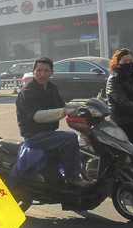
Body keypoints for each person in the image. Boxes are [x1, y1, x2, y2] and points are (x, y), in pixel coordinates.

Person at [15, 57, 88, 187]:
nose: (42, 74)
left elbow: (63, 105)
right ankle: (73, 177)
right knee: (70, 138)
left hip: (49, 134)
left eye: (46, 71)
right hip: (35, 137)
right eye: (39, 70)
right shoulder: (28, 91)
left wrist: (86, 106)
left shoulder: (51, 88)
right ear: (33, 72)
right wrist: (63, 112)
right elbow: (37, 116)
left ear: (51, 73)